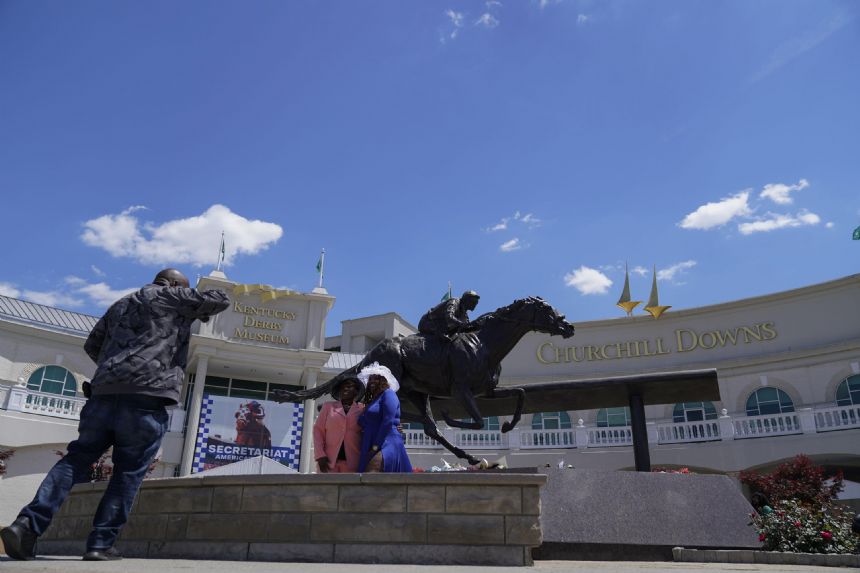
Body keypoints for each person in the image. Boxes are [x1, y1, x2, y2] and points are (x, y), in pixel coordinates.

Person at [0, 268, 229, 561]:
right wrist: (191, 306)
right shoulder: (172, 295)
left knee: (76, 460)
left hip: (103, 394)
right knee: (128, 473)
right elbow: (219, 298)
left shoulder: (120, 303)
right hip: (146, 397)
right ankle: (100, 544)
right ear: (172, 284)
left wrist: (118, 366)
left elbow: (92, 345)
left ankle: (27, 526)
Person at [356, 363, 412, 473]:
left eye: (376, 378)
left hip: (386, 441)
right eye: (370, 379)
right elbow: (363, 422)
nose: (372, 381)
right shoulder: (372, 402)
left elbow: (388, 420)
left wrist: (376, 446)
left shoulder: (388, 394)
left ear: (383, 381)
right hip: (370, 441)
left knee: (372, 471)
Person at [313, 377, 366, 473]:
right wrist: (320, 455)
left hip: (352, 463)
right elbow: (318, 431)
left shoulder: (362, 409)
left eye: (349, 386)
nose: (345, 388)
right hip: (328, 462)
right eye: (343, 387)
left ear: (356, 391)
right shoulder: (328, 407)